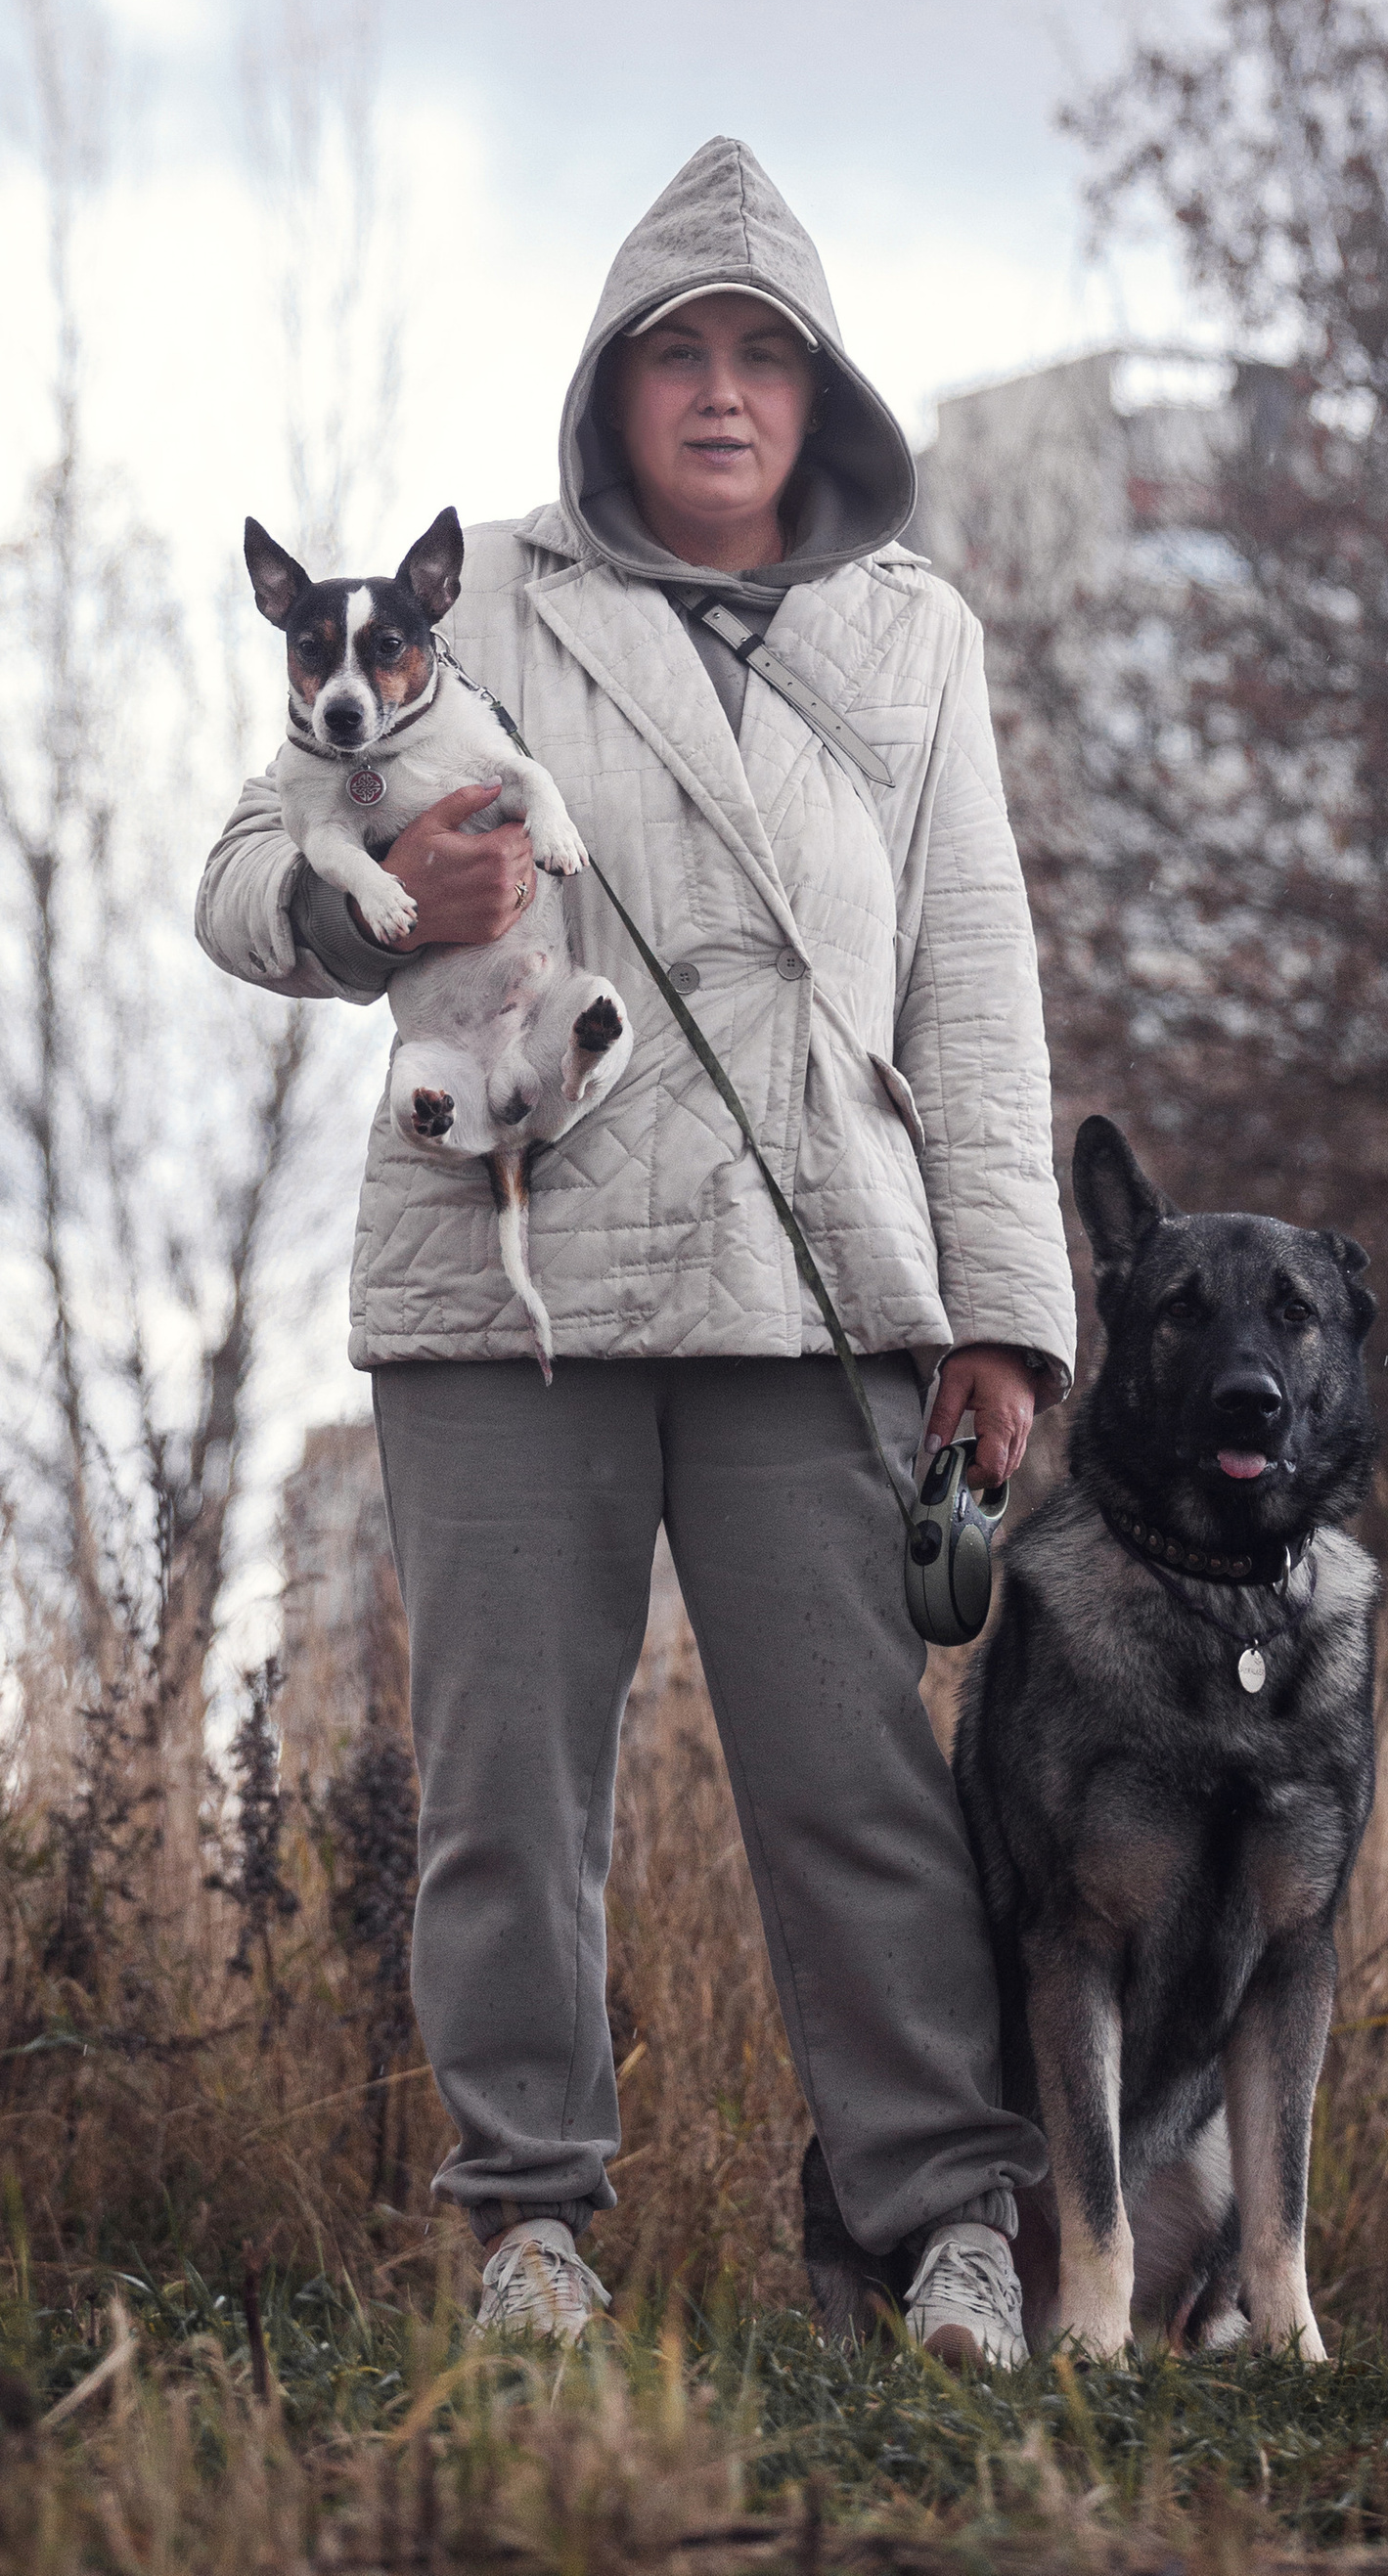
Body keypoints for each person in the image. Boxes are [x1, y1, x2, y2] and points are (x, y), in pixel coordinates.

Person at [196, 136, 1076, 2364]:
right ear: (609, 380)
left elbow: (968, 982)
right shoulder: (456, 597)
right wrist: (387, 910)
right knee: (505, 1785)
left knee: (862, 1788)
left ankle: (945, 2229)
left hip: (810, 1288)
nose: (714, 395)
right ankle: (527, 2241)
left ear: (817, 392)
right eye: (674, 353)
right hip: (509, 1276)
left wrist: (1003, 1320)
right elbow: (231, 880)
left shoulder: (915, 638)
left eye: (758, 357)